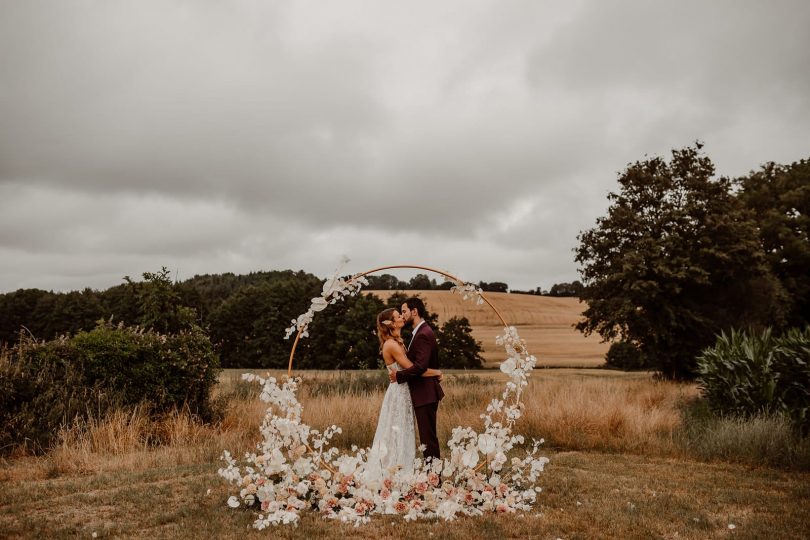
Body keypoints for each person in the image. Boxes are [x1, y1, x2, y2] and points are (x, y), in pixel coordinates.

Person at [366, 308, 442, 479]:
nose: (401, 317)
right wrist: (436, 372)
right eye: (397, 316)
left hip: (404, 391)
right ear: (391, 324)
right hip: (398, 394)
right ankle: (394, 472)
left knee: (403, 432)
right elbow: (414, 369)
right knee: (396, 431)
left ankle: (400, 469)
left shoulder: (398, 341)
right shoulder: (391, 345)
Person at [388, 297, 444, 462]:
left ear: (415, 311)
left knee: (428, 439)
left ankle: (434, 478)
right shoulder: (419, 333)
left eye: (404, 311)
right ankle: (432, 475)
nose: (403, 315)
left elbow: (420, 367)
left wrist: (399, 376)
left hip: (425, 394)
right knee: (427, 438)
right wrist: (436, 372)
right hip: (423, 393)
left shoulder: (423, 334)